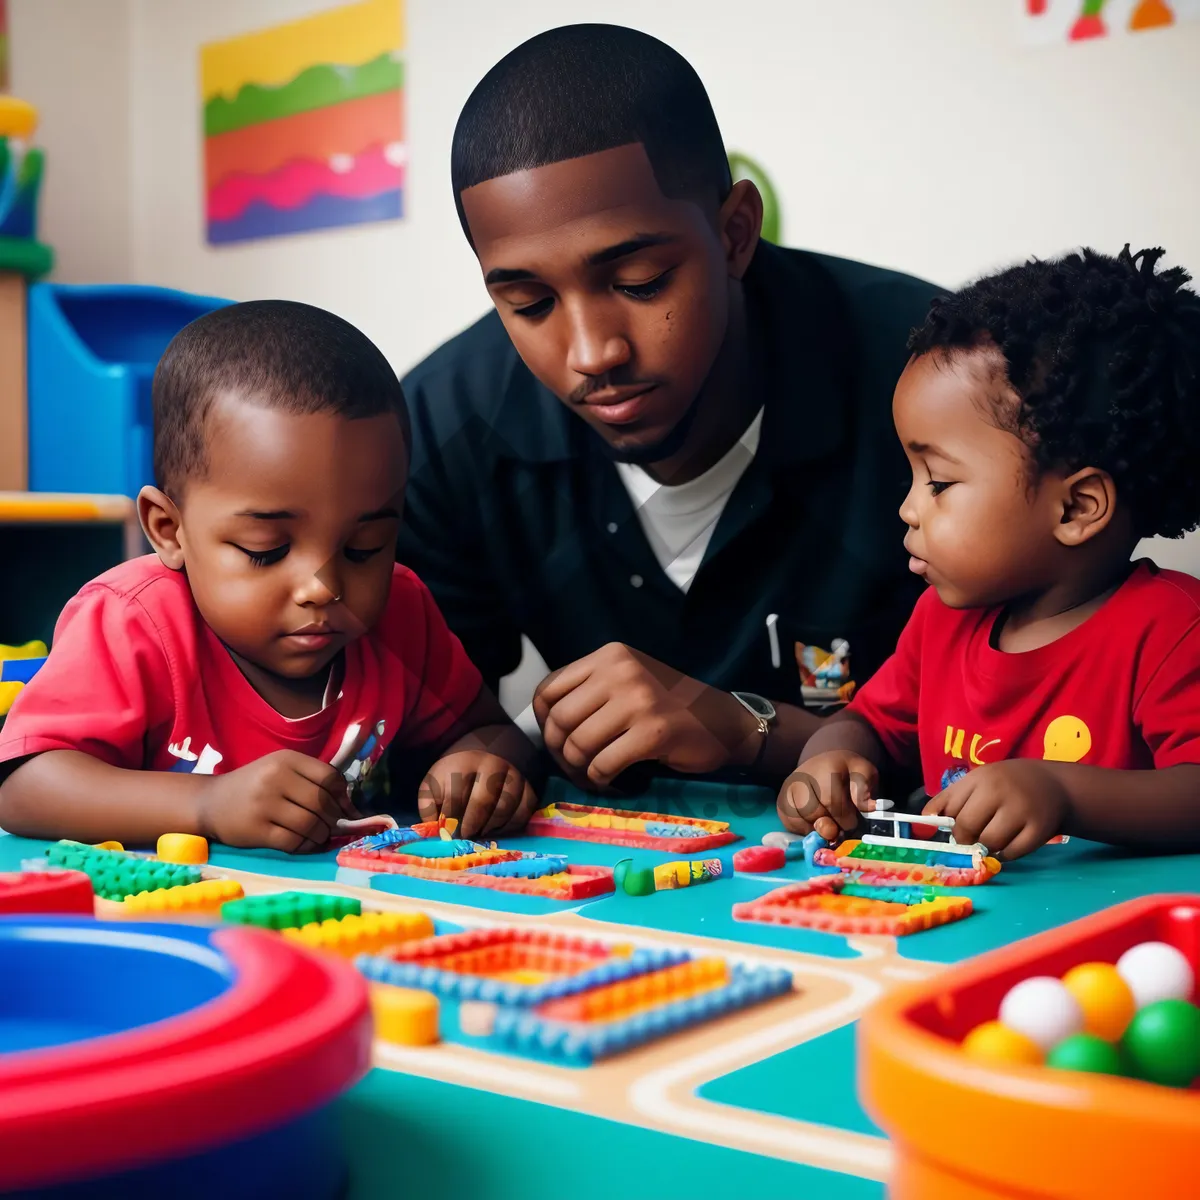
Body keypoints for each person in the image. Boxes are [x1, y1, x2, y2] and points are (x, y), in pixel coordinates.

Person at [397, 23, 940, 792]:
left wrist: (745, 728)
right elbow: (415, 722)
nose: (592, 352)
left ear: (735, 234)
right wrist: (475, 759)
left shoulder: (933, 384)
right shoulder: (439, 427)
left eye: (641, 280)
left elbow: (1019, 745)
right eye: (529, 303)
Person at [0, 301, 538, 848]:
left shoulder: (401, 613)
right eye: (267, 550)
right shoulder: (132, 621)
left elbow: (492, 731)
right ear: (168, 529)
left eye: (363, 548)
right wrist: (208, 805)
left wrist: (480, 767)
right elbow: (25, 789)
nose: (322, 587)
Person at [780, 245, 1200, 859]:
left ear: (1076, 508)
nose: (908, 508)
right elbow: (868, 723)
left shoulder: (1170, 632)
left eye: (940, 483)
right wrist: (830, 761)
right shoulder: (941, 621)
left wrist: (1063, 792)